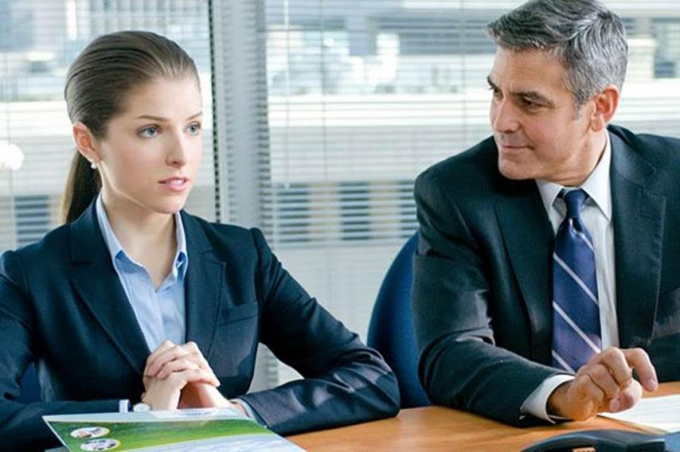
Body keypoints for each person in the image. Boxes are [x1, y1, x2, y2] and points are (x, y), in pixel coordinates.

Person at [0, 31, 399, 451]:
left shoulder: (243, 256)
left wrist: (232, 414)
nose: (181, 154)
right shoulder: (32, 274)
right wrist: (138, 417)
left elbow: (370, 378)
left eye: (192, 127)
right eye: (151, 131)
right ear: (88, 142)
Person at [412, 0, 680, 427]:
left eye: (529, 102)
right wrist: (563, 394)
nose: (502, 121)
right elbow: (450, 354)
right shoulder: (456, 193)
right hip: (528, 436)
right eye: (497, 93)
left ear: (600, 107)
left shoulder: (674, 180)